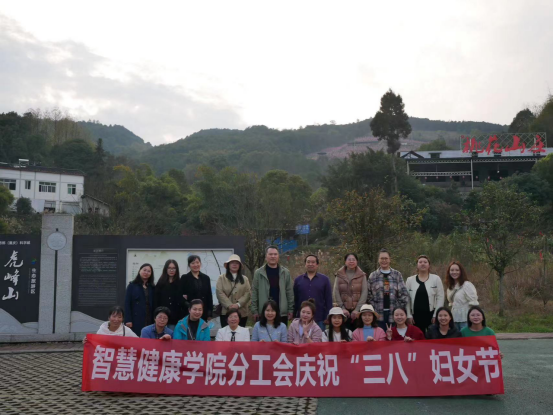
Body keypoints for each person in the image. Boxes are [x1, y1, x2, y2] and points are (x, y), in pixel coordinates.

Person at [368, 249, 410, 331]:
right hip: (378, 315)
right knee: (380, 337)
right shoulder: (373, 276)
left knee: (393, 337)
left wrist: (397, 308)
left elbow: (404, 295)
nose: (384, 260)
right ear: (378, 260)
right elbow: (369, 295)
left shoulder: (397, 275)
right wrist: (374, 308)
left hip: (394, 316)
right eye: (382, 258)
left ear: (390, 259)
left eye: (386, 258)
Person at [251, 246, 294, 323]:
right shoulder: (258, 273)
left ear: (278, 256)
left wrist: (291, 309)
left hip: (281, 312)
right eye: (270, 254)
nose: (273, 256)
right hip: (264, 312)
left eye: (275, 254)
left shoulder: (285, 272)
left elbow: (289, 292)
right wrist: (254, 310)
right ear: (266, 256)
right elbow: (254, 292)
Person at [406, 255, 445, 334]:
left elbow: (440, 297)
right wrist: (408, 315)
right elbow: (407, 299)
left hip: (431, 315)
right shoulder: (410, 280)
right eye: (420, 262)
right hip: (415, 316)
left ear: (429, 265)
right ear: (417, 265)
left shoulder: (436, 279)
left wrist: (436, 315)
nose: (423, 264)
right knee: (417, 337)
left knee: (433, 336)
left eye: (425, 262)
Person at [293, 254, 333, 331]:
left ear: (317, 264)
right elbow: (295, 299)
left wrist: (328, 316)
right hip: (302, 318)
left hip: (319, 318)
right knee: (301, 338)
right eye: (308, 262)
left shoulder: (324, 280)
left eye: (313, 262)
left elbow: (328, 299)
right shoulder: (298, 280)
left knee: (318, 338)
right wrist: (294, 314)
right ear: (305, 264)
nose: (310, 264)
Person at [333, 253, 368, 331]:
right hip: (343, 311)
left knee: (358, 334)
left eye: (353, 260)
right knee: (344, 333)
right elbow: (336, 291)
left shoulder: (362, 275)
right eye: (349, 259)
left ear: (357, 262)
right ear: (345, 262)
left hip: (358, 311)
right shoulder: (339, 275)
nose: (351, 261)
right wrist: (342, 308)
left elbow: (364, 292)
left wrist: (357, 309)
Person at [215, 254, 251, 328]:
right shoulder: (221, 278)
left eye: (237, 263)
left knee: (240, 332)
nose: (234, 264)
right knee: (226, 332)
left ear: (240, 266)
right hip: (226, 312)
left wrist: (238, 304)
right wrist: (229, 305)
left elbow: (248, 293)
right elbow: (219, 292)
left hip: (242, 312)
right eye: (232, 262)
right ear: (228, 265)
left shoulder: (245, 279)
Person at [445, 261, 479, 331]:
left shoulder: (467, 285)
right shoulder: (450, 287)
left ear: (461, 272)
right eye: (452, 270)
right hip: (454, 319)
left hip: (465, 320)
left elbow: (474, 302)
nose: (454, 272)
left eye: (457, 270)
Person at [124, 263, 155, 336]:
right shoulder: (132, 286)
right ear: (139, 271)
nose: (146, 272)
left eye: (149, 271)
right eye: (144, 270)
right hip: (136, 318)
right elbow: (127, 303)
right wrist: (128, 320)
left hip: (149, 318)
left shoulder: (152, 287)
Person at [180, 255, 213, 322]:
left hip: (203, 312)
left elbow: (209, 296)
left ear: (200, 263)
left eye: (197, 262)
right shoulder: (185, 278)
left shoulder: (206, 278)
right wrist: (190, 306)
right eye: (193, 263)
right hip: (189, 312)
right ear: (189, 265)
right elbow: (180, 296)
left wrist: (209, 312)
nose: (195, 265)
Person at [154, 260, 183, 330]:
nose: (171, 270)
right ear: (166, 269)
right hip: (162, 318)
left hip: (175, 318)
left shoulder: (180, 283)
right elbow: (156, 300)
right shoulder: (160, 283)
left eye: (174, 268)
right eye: (169, 268)